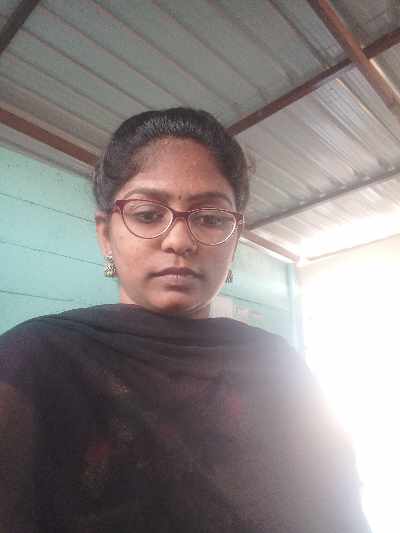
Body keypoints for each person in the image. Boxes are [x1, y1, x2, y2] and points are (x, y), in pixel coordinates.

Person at [0, 108, 370, 532]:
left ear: (235, 239)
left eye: (210, 219)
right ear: (105, 234)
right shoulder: (34, 363)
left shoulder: (277, 364)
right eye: (147, 214)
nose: (179, 240)